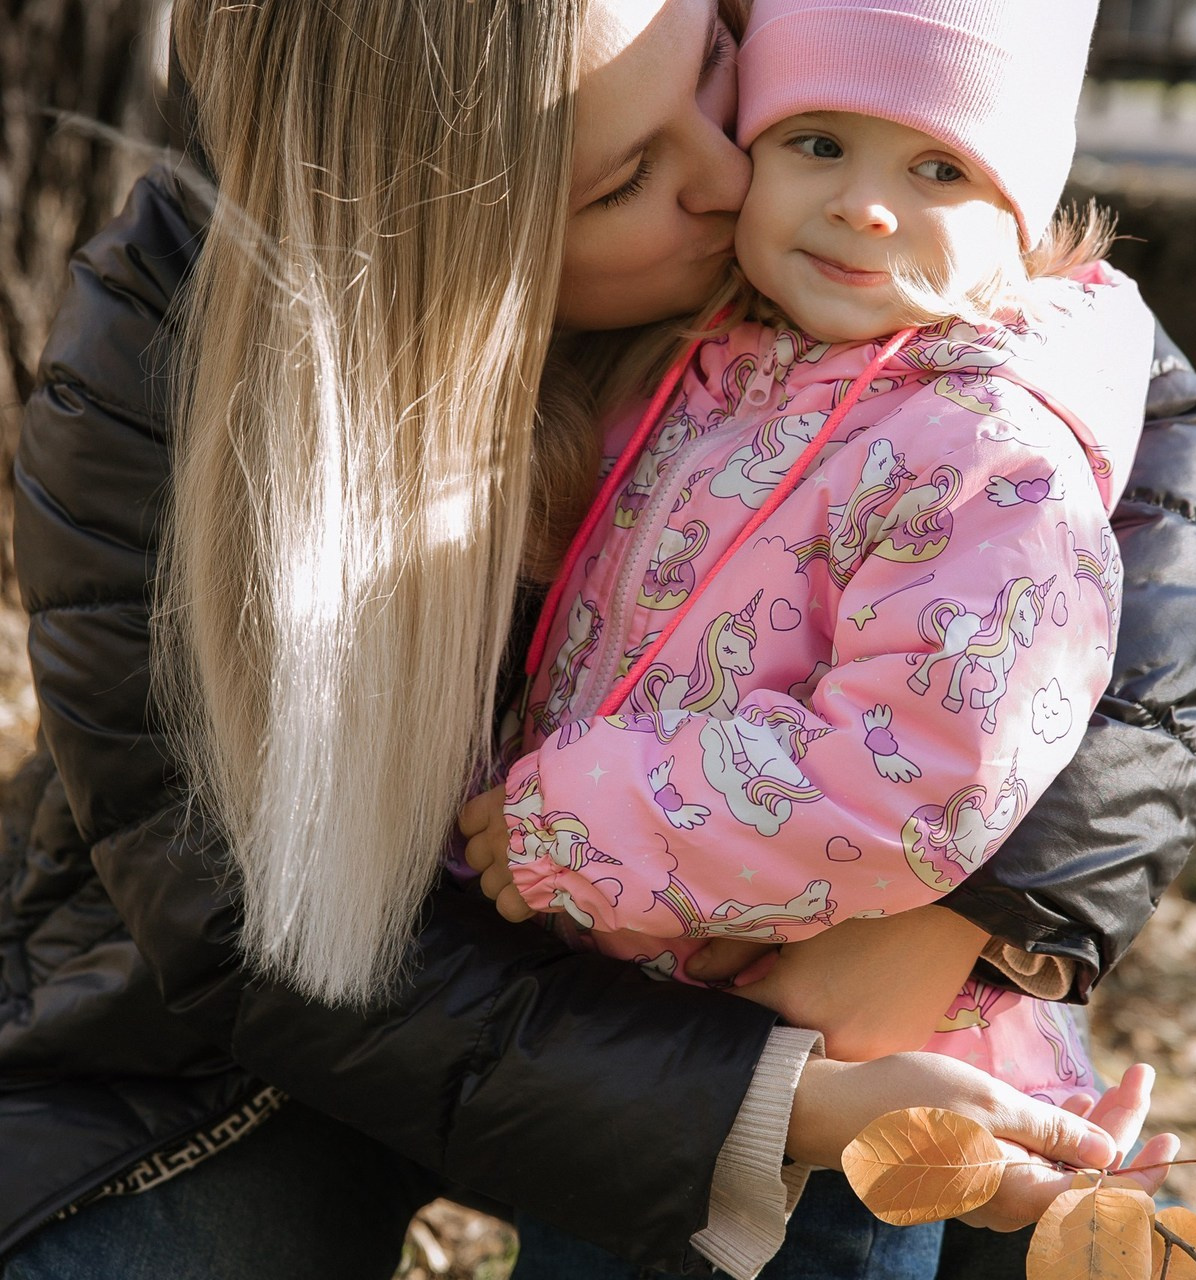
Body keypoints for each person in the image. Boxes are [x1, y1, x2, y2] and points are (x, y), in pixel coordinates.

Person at [0, 1, 1196, 1278]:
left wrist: (966, 919)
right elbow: (226, 920)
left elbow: (1155, 485)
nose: (730, 171)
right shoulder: (157, 360)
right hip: (294, 1035)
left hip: (728, 1000)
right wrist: (755, 1098)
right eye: (625, 181)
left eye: (715, 70)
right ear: (452, 256)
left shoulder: (902, 317)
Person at [458, 2, 1155, 1273]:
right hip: (659, 1027)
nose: (865, 204)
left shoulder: (987, 455)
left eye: (937, 168)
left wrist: (579, 824)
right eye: (817, 141)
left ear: (1025, 215)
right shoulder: (723, 364)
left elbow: (917, 767)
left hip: (851, 1105)